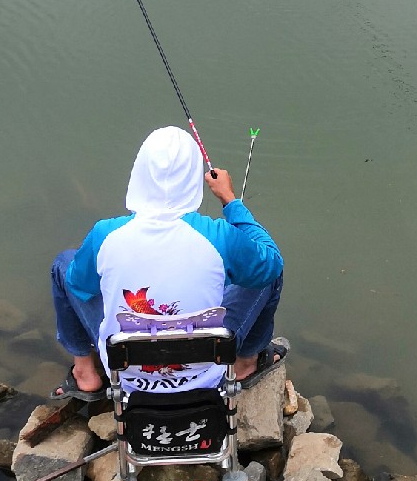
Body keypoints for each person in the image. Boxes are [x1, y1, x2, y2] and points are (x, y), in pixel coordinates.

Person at [49, 126, 284, 400]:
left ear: (139, 173)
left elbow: (79, 285)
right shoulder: (219, 237)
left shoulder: (105, 234)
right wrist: (230, 201)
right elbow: (272, 263)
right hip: (207, 372)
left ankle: (85, 373)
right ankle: (244, 364)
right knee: (266, 271)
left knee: (63, 265)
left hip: (125, 370)